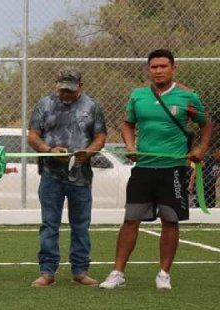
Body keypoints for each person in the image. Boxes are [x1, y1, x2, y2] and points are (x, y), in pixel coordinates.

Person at [100, 49, 212, 290]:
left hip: (173, 169)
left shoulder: (187, 97)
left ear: (173, 68)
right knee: (131, 220)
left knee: (170, 221)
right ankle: (117, 272)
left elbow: (206, 124)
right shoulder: (138, 95)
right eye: (154, 67)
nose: (158, 71)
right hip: (143, 168)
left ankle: (163, 274)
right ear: (149, 69)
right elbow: (127, 124)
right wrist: (130, 145)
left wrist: (201, 149)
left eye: (163, 66)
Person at [28, 67, 107, 287]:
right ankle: (47, 271)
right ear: (57, 85)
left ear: (80, 87)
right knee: (49, 224)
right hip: (51, 174)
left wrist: (88, 152)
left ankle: (80, 271)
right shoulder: (44, 104)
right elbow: (33, 135)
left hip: (81, 176)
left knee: (80, 225)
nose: (66, 94)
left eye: (71, 90)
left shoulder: (92, 107)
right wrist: (47, 149)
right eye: (62, 89)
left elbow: (100, 137)